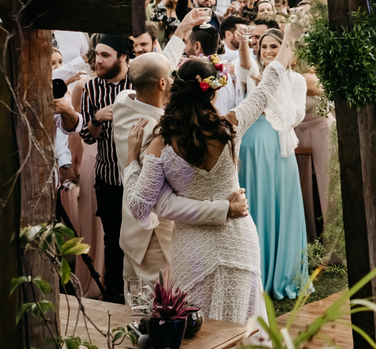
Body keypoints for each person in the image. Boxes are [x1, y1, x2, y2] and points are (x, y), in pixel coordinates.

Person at [124, 25, 302, 324]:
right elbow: (268, 82)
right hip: (239, 242)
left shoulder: (161, 141)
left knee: (199, 332)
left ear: (175, 89)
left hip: (192, 250)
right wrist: (290, 39)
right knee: (243, 331)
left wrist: (132, 160)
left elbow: (140, 205)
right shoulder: (230, 125)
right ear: (213, 92)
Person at [111, 53, 245, 299]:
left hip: (129, 235)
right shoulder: (163, 132)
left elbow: (147, 71)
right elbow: (165, 203)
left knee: (134, 307)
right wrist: (225, 209)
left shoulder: (122, 104)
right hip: (154, 239)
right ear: (162, 83)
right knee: (157, 311)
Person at [238, 28, 309, 300]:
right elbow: (244, 64)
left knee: (281, 206)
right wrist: (245, 43)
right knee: (254, 206)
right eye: (264, 46)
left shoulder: (296, 80)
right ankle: (254, 270)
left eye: (274, 46)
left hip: (279, 152)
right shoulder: (254, 71)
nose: (268, 51)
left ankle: (282, 273)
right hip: (251, 149)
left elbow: (294, 116)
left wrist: (273, 88)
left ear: (285, 51)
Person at [78, 34, 134, 302]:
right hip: (108, 178)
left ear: (122, 56)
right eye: (96, 54)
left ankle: (143, 295)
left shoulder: (138, 82)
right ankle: (115, 296)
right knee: (113, 241)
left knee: (141, 240)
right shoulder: (91, 88)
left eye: (105, 55)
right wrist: (97, 118)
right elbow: (88, 137)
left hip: (139, 177)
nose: (97, 60)